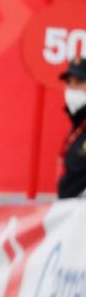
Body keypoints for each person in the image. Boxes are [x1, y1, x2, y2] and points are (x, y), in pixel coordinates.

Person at [58, 57, 86, 198]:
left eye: (79, 82)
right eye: (69, 82)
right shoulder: (78, 126)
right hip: (68, 207)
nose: (72, 88)